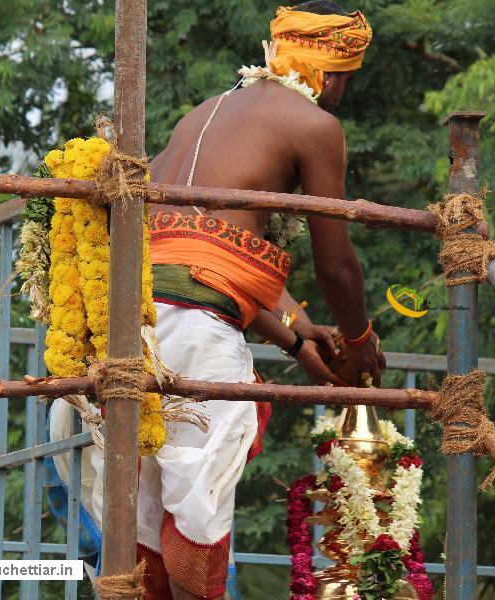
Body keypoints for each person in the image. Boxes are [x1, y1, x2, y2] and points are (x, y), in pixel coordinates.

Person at [136, 2, 380, 598]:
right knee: (196, 526)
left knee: (142, 525)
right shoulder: (315, 125)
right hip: (196, 335)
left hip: (135, 329)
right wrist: (360, 338)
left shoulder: (203, 113)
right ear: (335, 70)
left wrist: (298, 338)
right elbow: (337, 266)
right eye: (350, 75)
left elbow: (208, 257)